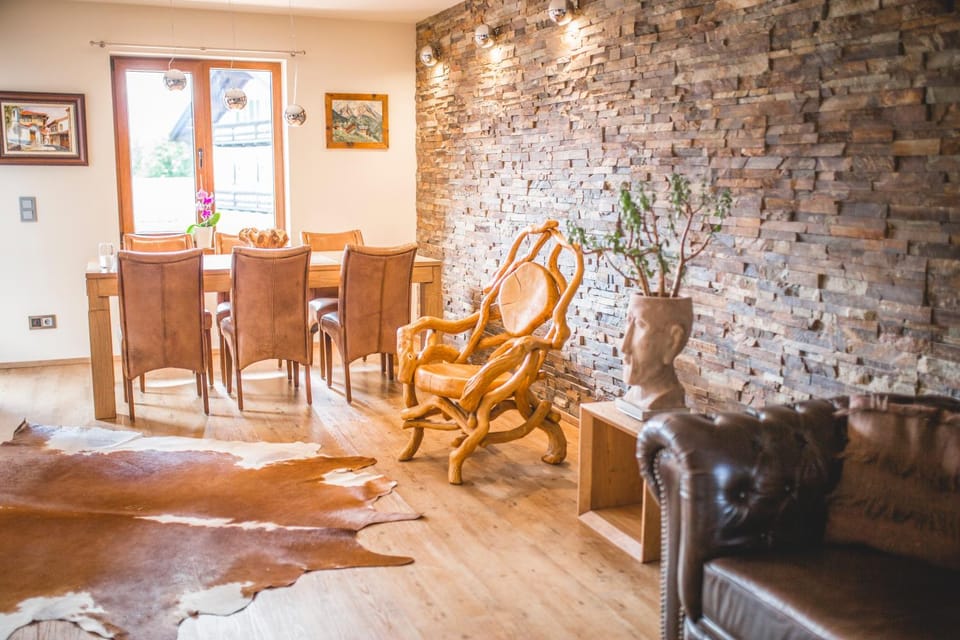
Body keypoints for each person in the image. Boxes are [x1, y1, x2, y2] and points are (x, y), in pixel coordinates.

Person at [619, 295, 692, 413]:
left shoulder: (665, 401)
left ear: (673, 342)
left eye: (640, 325)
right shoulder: (631, 396)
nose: (624, 347)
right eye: (628, 320)